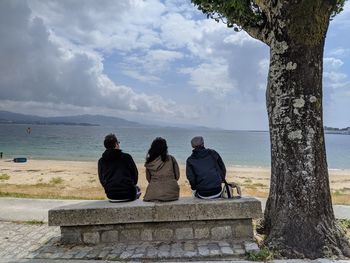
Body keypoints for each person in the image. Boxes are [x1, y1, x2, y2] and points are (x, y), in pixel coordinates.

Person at [98, 133, 140, 202]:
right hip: (128, 195)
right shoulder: (127, 157)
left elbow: (101, 179)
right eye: (118, 142)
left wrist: (109, 188)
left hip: (111, 195)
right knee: (138, 189)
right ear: (116, 144)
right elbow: (135, 175)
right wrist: (131, 185)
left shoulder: (101, 161)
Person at [143, 137, 180, 202]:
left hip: (153, 194)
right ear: (165, 148)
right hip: (172, 194)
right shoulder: (171, 159)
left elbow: (148, 179)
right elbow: (177, 176)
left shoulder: (149, 161)